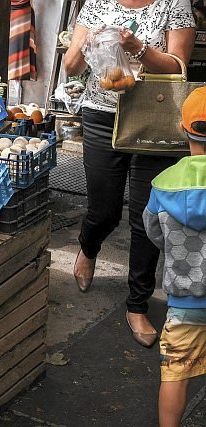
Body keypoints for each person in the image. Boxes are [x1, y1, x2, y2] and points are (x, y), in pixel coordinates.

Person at [64, 0, 196, 347]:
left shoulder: (175, 4)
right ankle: (88, 247)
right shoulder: (95, 4)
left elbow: (178, 66)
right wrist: (87, 43)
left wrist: (138, 47)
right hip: (100, 116)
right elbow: (71, 67)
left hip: (151, 116)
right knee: (103, 209)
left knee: (146, 217)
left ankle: (137, 304)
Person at [142, 87, 206, 427]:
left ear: (182, 130)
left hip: (184, 301)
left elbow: (153, 231)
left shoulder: (163, 184)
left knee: (175, 374)